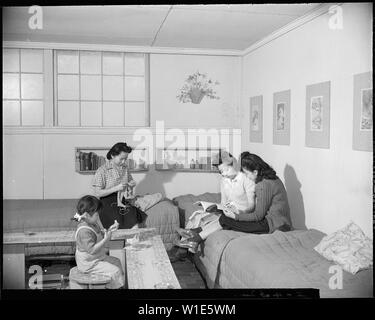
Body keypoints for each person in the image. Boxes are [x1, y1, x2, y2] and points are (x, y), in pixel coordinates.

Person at [177, 152, 292, 253]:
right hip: (275, 221)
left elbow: (258, 215)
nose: (247, 176)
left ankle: (194, 238)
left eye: (247, 173)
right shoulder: (273, 178)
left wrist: (236, 216)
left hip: (273, 225)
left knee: (225, 220)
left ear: (256, 172)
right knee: (223, 218)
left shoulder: (263, 185)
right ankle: (194, 236)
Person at [174, 150, 256, 254]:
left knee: (222, 219)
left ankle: (192, 238)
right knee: (200, 216)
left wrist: (236, 212)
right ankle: (189, 241)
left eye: (226, 170)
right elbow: (224, 202)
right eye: (221, 172)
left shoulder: (246, 179)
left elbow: (252, 206)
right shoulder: (224, 181)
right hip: (230, 211)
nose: (224, 174)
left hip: (243, 214)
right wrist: (217, 208)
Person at [92, 142, 149, 229]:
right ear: (112, 156)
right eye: (121, 159)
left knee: (134, 218)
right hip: (107, 202)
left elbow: (131, 181)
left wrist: (132, 184)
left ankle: (132, 241)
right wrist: (115, 188)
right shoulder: (102, 170)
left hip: (122, 200)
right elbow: (97, 192)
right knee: (119, 221)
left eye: (125, 159)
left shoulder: (125, 168)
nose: (123, 162)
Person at [72, 195, 124, 289]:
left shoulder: (92, 223)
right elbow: (91, 250)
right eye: (96, 214)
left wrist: (109, 230)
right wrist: (105, 240)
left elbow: (99, 234)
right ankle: (115, 287)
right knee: (115, 271)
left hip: (96, 258)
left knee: (117, 262)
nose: (98, 217)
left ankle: (115, 286)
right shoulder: (84, 231)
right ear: (87, 215)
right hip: (88, 264)